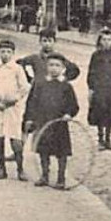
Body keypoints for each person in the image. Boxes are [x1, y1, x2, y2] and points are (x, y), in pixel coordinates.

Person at [24, 53, 80, 189]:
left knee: (61, 152)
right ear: (46, 67)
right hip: (43, 122)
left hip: (59, 123)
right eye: (51, 65)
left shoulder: (66, 86)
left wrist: (68, 114)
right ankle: (44, 175)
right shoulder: (40, 84)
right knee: (43, 150)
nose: (54, 68)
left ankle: (61, 178)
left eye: (57, 65)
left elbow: (73, 105)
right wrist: (30, 118)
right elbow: (31, 102)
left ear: (63, 68)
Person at [0, 38, 31, 181]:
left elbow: (25, 88)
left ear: (13, 53)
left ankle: (20, 169)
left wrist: (14, 99)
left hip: (12, 109)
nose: (5, 54)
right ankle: (1, 169)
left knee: (15, 138)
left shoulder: (17, 69)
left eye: (8, 52)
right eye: (2, 51)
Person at [86, 28, 111, 151]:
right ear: (100, 41)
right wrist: (92, 87)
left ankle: (108, 139)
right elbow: (91, 72)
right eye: (104, 39)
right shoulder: (96, 55)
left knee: (110, 114)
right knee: (100, 113)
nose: (107, 42)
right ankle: (100, 139)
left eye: (109, 40)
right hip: (100, 89)